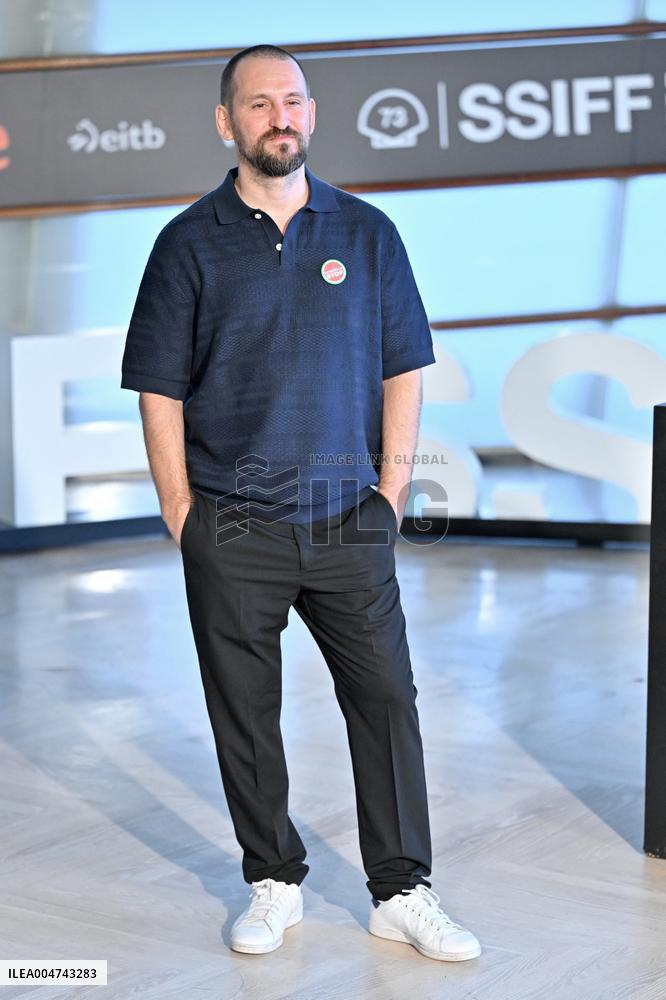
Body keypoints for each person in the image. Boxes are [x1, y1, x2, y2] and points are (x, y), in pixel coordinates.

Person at [121, 43, 480, 964]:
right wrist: (181, 512)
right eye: (258, 103)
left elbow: (405, 369)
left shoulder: (367, 234)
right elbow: (158, 387)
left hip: (348, 519)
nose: (278, 116)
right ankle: (272, 880)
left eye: (292, 101)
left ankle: (402, 890)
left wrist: (392, 493)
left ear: (311, 115)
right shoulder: (185, 244)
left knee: (387, 699)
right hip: (231, 522)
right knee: (246, 711)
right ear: (226, 122)